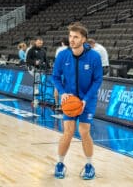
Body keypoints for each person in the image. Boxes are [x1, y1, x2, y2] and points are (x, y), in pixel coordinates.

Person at [52, 22, 103, 180]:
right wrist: (62, 93)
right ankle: (60, 163)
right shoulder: (63, 55)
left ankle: (89, 165)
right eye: (70, 36)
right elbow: (55, 77)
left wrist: (86, 99)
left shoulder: (94, 56)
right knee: (68, 132)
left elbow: (97, 80)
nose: (72, 40)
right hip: (70, 100)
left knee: (84, 131)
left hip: (88, 99)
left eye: (76, 37)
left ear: (84, 39)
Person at [54, 37, 69, 110]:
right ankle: (64, 106)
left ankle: (57, 105)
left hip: (60, 71)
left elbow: (57, 60)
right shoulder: (71, 49)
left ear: (62, 43)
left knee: (57, 88)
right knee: (66, 89)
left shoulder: (59, 50)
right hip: (68, 71)